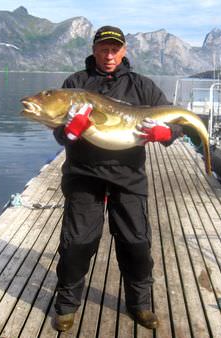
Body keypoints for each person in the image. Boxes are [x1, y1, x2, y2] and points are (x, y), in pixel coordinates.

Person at [52, 25, 183, 332]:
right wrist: (70, 131)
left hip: (128, 176)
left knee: (136, 242)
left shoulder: (142, 86)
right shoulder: (76, 84)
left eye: (115, 49)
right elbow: (60, 133)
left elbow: (177, 119)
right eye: (103, 49)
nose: (109, 55)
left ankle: (140, 305)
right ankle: (66, 305)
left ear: (124, 51)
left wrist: (167, 134)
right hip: (84, 174)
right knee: (77, 243)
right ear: (94, 49)